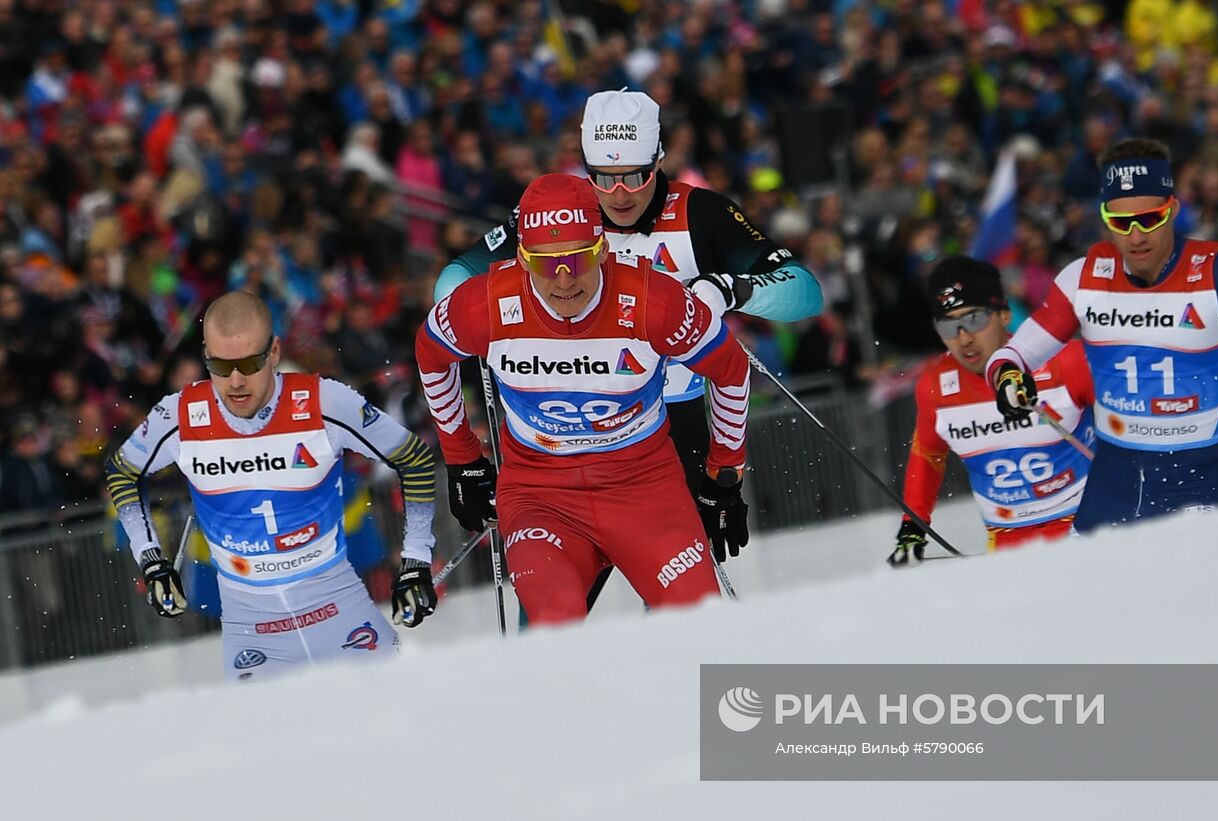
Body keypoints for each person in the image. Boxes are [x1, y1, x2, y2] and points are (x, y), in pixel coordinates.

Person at [435, 89, 820, 610]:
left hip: (668, 427)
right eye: (602, 176)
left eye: (636, 175)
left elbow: (803, 289)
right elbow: (452, 285)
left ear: (660, 158)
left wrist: (729, 290)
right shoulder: (562, 213)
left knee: (682, 605)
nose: (617, 194)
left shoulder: (700, 212)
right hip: (559, 430)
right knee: (550, 610)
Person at [416, 173, 751, 625]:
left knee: (699, 626)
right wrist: (462, 458)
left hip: (645, 490)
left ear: (603, 248)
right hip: (541, 496)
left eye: (578, 259)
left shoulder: (655, 300)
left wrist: (723, 477)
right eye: (543, 262)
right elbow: (431, 353)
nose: (563, 280)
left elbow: (730, 369)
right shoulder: (486, 305)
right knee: (557, 622)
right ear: (521, 256)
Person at [985, 138, 1218, 532]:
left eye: (1149, 219)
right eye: (1120, 222)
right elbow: (1011, 356)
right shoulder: (1081, 279)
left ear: (1173, 209)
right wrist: (1008, 378)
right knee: (1092, 591)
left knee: (1185, 589)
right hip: (1113, 478)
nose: (1135, 237)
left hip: (1194, 476)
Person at [105, 291, 439, 681]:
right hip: (253, 633)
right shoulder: (179, 415)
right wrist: (152, 561)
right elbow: (123, 471)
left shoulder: (323, 401)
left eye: (248, 363)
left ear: (275, 351)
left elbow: (412, 458)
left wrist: (416, 562)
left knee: (395, 723)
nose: (234, 381)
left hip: (339, 610)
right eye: (219, 365)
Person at [888, 257, 1095, 564]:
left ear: (1004, 314)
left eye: (974, 319)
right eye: (949, 324)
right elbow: (928, 454)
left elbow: (1129, 418)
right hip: (1008, 544)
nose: (964, 338)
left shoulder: (1064, 360)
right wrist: (913, 526)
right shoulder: (935, 387)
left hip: (1090, 530)